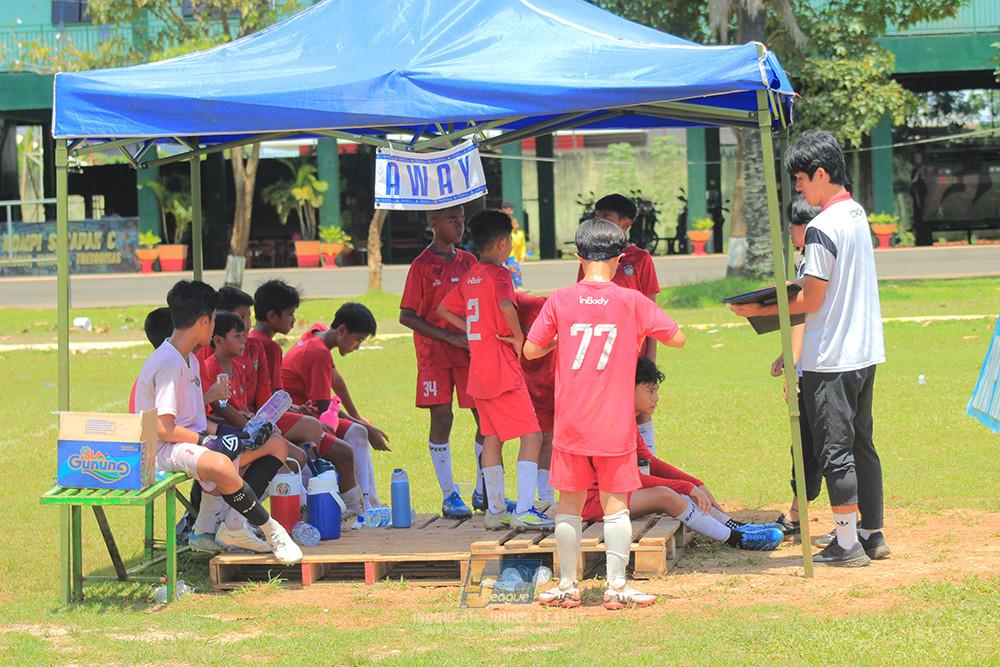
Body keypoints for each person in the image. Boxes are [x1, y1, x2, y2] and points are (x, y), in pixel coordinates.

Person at [731, 130, 888, 567]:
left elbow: (812, 298)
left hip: (832, 355)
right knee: (861, 445)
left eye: (800, 178)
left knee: (834, 450)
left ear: (821, 173)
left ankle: (845, 544)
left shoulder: (821, 226)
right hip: (863, 350)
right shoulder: (856, 213)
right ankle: (870, 534)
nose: (798, 187)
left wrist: (758, 311)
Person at [524, 218, 685, 610]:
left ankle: (566, 585)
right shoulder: (631, 300)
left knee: (569, 506)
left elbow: (530, 351)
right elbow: (677, 337)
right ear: (619, 257)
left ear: (578, 256)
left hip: (572, 424)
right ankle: (616, 587)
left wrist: (562, 339)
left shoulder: (559, 300)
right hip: (613, 423)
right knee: (617, 507)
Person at [133, 280, 301, 565]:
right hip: (160, 450)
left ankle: (234, 526)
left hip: (188, 442)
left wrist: (233, 433)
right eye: (213, 320)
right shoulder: (168, 363)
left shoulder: (190, 359)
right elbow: (162, 429)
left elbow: (195, 419)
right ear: (203, 321)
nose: (214, 326)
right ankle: (272, 531)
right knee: (220, 463)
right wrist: (209, 442)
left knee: (275, 444)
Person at [581, 357, 783, 550]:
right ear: (627, 390)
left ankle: (735, 526)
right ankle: (735, 539)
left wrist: (694, 483)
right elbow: (630, 479)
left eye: (656, 390)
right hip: (596, 502)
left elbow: (649, 462)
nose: (656, 398)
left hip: (612, 494)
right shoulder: (613, 424)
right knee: (665, 495)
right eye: (650, 391)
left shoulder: (624, 419)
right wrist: (686, 487)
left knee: (681, 491)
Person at [438, 209, 553, 530]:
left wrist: (475, 331)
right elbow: (505, 305)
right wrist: (518, 339)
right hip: (503, 369)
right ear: (503, 244)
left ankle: (496, 510)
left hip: (479, 371)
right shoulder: (500, 274)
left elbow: (443, 309)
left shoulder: (470, 275)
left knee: (492, 438)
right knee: (532, 435)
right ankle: (526, 510)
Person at [247, 281, 364, 517]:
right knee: (318, 431)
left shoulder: (258, 342)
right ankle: (312, 501)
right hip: (263, 421)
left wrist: (299, 409)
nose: (293, 320)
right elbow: (269, 401)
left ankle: (354, 505)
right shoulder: (267, 347)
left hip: (272, 415)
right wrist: (301, 415)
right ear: (273, 315)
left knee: (339, 446)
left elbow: (276, 398)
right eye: (290, 314)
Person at [399, 204, 484, 519]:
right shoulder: (422, 266)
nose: (459, 226)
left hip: (469, 353)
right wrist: (447, 337)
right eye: (452, 220)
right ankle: (449, 496)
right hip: (434, 355)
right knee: (442, 418)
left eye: (462, 220)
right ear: (433, 224)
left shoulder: (470, 261)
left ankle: (482, 490)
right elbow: (406, 315)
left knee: (485, 419)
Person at [281, 302, 390, 510]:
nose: (357, 346)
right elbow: (323, 407)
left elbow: (335, 378)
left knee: (358, 430)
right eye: (358, 340)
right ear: (342, 330)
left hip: (307, 413)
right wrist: (369, 428)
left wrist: (357, 416)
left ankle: (369, 501)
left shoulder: (319, 331)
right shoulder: (318, 352)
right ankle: (361, 505)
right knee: (357, 435)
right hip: (299, 418)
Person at [577, 194, 661, 456]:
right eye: (597, 217)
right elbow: (582, 302)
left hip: (635, 350)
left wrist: (651, 354)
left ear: (625, 224)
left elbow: (652, 310)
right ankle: (613, 460)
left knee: (641, 408)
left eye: (606, 218)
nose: (599, 222)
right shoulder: (589, 259)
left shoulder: (641, 259)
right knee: (607, 407)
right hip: (600, 348)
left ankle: (647, 464)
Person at [769, 196, 827, 544]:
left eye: (793, 224)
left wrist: (792, 366)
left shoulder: (812, 265)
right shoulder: (807, 263)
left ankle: (799, 514)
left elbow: (802, 316)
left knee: (813, 442)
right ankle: (796, 510)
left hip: (817, 369)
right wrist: (786, 356)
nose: (789, 230)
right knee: (806, 442)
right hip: (811, 364)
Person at [512, 292, 555, 505]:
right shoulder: (524, 303)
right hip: (519, 377)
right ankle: (513, 504)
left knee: (550, 438)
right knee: (532, 438)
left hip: (551, 376)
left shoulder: (560, 307)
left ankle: (545, 498)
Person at [503, 202, 526, 290]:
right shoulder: (501, 220)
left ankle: (519, 286)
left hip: (510, 252)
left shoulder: (511, 220)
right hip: (501, 250)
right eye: (510, 210)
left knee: (514, 267)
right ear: (504, 210)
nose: (511, 212)